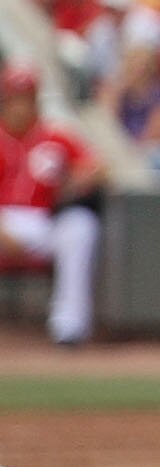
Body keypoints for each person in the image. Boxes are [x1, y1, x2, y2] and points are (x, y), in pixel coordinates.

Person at [0, 66, 100, 348]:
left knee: (82, 225)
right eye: (15, 98)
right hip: (3, 220)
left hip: (41, 222)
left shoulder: (54, 137)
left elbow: (98, 166)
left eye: (26, 98)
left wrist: (80, 177)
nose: (20, 106)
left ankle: (69, 327)